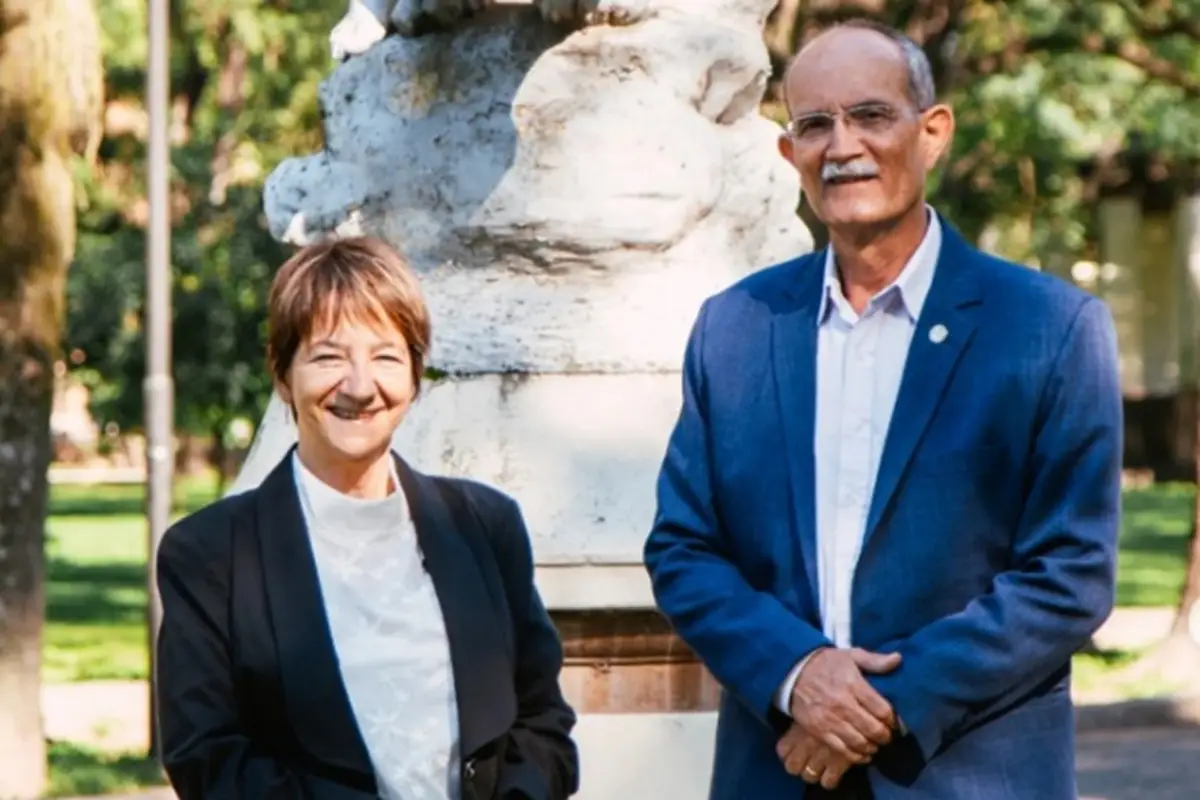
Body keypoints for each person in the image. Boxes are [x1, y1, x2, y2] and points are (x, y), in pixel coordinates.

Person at [643, 18, 1121, 800]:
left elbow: (1069, 573)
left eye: (871, 115)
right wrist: (799, 677)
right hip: (776, 771)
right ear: (788, 153)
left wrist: (879, 705)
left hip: (969, 776)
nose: (842, 145)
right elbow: (684, 549)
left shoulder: (1049, 328)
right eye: (814, 124)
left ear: (933, 133)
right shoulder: (733, 329)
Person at [155, 237, 579, 800]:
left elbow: (544, 726)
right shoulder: (210, 555)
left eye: (385, 356)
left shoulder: (486, 526)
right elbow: (207, 760)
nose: (359, 385)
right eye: (328, 356)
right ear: (283, 376)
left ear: (414, 376)